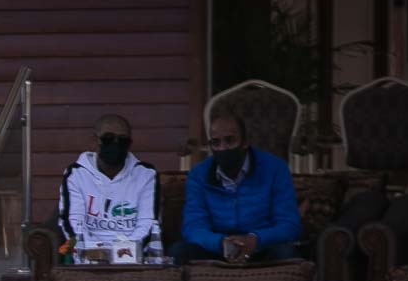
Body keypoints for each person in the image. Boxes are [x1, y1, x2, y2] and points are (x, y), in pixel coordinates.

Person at [171, 110, 301, 265]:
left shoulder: (275, 169)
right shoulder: (198, 175)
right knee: (179, 252)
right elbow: (193, 227)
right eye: (216, 143)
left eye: (230, 140)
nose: (223, 148)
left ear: (245, 142)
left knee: (287, 253)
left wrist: (255, 239)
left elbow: (289, 225)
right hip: (218, 248)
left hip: (262, 247)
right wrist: (220, 242)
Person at [59, 113, 158, 258]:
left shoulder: (146, 174)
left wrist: (121, 253)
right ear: (95, 141)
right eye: (108, 138)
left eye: (122, 140)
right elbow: (73, 223)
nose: (115, 144)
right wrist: (95, 252)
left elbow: (148, 224)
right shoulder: (76, 174)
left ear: (129, 145)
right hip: (88, 256)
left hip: (131, 257)